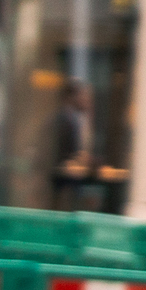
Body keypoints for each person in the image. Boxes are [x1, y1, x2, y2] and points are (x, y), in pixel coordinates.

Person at [51, 78, 96, 209]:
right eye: (82, 95)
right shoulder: (65, 119)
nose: (85, 99)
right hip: (64, 177)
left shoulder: (79, 119)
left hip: (72, 177)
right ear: (72, 96)